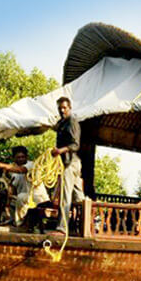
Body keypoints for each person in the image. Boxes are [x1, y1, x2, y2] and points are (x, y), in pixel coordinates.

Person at [0, 145, 48, 228]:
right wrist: (7, 205)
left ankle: (20, 225)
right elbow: (12, 189)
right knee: (14, 200)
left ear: (27, 157)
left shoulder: (32, 165)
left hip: (39, 199)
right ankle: (13, 221)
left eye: (23, 157)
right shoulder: (14, 174)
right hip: (25, 200)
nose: (21, 159)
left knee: (21, 197)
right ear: (14, 158)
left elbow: (20, 170)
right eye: (18, 157)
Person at [52, 96, 85, 234]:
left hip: (70, 163)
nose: (62, 110)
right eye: (60, 108)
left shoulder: (72, 122)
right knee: (79, 197)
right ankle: (91, 222)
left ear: (69, 108)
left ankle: (62, 228)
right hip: (71, 163)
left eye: (64, 108)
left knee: (65, 196)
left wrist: (60, 150)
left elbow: (75, 145)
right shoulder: (62, 123)